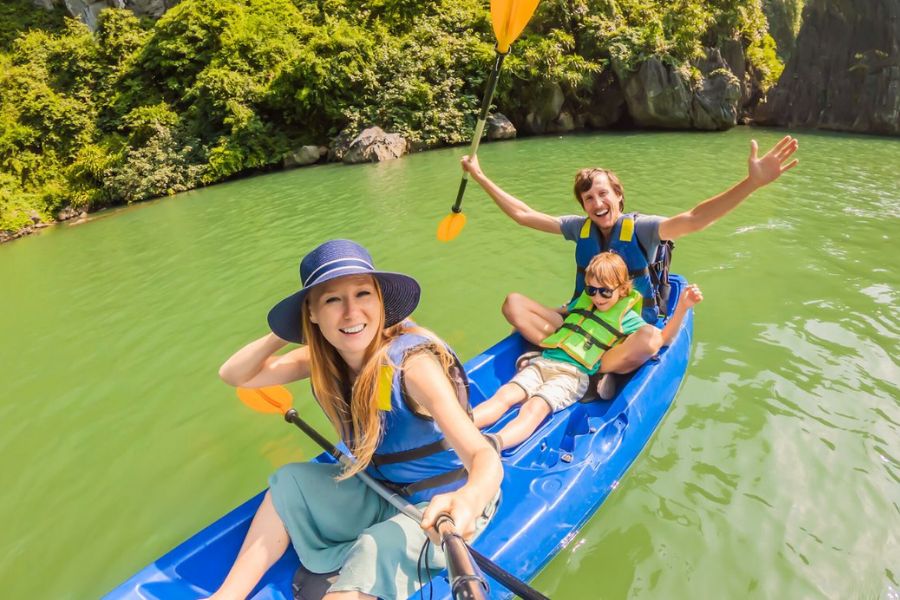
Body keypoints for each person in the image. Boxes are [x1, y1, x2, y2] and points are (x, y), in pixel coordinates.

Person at [212, 239, 503, 600]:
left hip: (441, 505)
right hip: (379, 488)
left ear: (380, 302)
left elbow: (483, 457)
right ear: (313, 314)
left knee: (373, 546)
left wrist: (470, 500)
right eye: (332, 299)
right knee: (288, 482)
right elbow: (235, 374)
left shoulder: (413, 367)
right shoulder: (324, 358)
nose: (351, 313)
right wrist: (289, 326)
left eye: (363, 294)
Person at [460, 136, 797, 376]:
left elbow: (695, 218)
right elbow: (523, 214)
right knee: (513, 304)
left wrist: (751, 184)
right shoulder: (580, 228)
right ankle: (568, 351)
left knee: (650, 339)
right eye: (589, 198)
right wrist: (480, 176)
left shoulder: (642, 229)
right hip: (584, 323)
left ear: (618, 196)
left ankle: (591, 366)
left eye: (603, 193)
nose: (597, 203)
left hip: (625, 330)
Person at [473, 252, 703, 450]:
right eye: (592, 290)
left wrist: (683, 307)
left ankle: (495, 442)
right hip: (544, 362)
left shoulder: (628, 318)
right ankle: (463, 426)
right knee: (505, 395)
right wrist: (534, 320)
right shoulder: (583, 303)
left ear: (622, 290)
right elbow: (564, 313)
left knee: (535, 407)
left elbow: (662, 339)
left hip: (573, 375)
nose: (597, 297)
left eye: (605, 292)